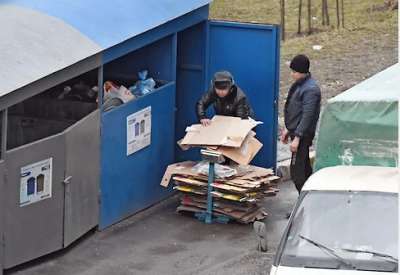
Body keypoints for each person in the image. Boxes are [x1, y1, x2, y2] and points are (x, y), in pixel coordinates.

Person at [281, 55, 321, 194]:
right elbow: (295, 110)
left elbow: (307, 116)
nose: (292, 74)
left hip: (302, 136)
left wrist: (297, 137)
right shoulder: (300, 84)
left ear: (302, 71)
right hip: (297, 132)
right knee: (304, 169)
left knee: (297, 173)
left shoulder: (310, 89)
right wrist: (288, 129)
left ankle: (303, 204)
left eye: (294, 72)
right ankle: (309, 202)